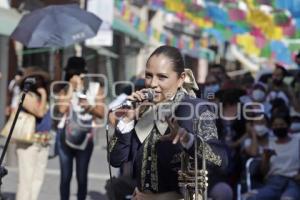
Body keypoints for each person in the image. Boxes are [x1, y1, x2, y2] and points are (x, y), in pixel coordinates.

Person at [108, 45, 228, 199]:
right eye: (149, 75)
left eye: (162, 77)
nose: (152, 84)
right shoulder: (143, 110)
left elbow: (221, 160)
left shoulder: (196, 109)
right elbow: (115, 160)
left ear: (181, 78)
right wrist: (126, 121)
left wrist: (188, 140)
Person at [55, 56, 105, 200]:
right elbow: (62, 109)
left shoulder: (95, 88)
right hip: (64, 135)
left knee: (82, 176)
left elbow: (101, 113)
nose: (74, 76)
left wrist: (89, 106)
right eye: (71, 74)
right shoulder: (64, 88)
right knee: (65, 176)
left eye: (77, 73)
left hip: (85, 136)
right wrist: (71, 87)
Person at [15, 67, 52, 200]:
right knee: (26, 180)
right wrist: (43, 95)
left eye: (40, 79)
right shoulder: (25, 96)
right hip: (28, 143)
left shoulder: (42, 96)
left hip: (43, 142)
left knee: (38, 179)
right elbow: (40, 113)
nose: (39, 82)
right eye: (35, 79)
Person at [247, 112, 300, 200]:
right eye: (275, 125)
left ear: (288, 125)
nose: (278, 127)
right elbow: (264, 172)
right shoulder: (269, 143)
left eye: (281, 124)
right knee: (251, 197)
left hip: (293, 183)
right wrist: (266, 158)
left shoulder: (297, 141)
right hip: (274, 182)